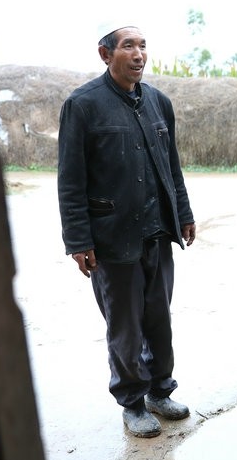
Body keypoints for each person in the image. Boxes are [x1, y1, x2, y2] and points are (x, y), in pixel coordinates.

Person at [57, 24, 196, 438]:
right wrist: (78, 240)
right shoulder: (82, 105)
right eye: (128, 46)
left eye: (143, 46)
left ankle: (160, 391)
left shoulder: (158, 102)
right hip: (112, 238)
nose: (138, 54)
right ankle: (132, 403)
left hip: (157, 232)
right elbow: (70, 179)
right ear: (105, 54)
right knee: (125, 327)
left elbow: (172, 166)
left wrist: (183, 212)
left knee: (159, 319)